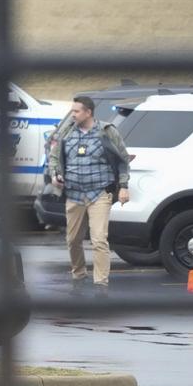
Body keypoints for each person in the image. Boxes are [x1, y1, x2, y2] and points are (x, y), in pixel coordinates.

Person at [49, 96, 130, 296]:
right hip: (74, 194)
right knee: (73, 239)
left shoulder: (107, 132)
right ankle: (78, 275)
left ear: (88, 112)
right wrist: (55, 175)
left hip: (99, 193)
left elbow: (123, 159)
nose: (73, 114)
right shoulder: (66, 132)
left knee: (99, 240)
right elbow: (54, 157)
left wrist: (123, 186)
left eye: (76, 111)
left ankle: (100, 284)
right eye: (72, 111)